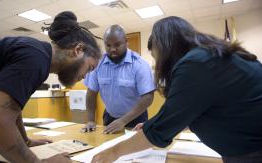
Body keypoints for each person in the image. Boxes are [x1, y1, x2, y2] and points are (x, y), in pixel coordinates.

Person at [91, 16, 262, 163]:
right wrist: (157, 123)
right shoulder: (207, 56)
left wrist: (112, 153)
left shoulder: (196, 64)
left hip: (251, 151)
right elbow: (185, 109)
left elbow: (163, 128)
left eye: (156, 56)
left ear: (165, 48)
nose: (156, 64)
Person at [0, 11, 101, 163]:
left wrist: (25, 141)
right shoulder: (35, 58)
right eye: (89, 68)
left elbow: (11, 108)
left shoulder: (37, 55)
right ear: (78, 50)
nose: (85, 76)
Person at [81, 25, 155, 134]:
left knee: (135, 150)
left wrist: (123, 121)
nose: (112, 49)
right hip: (110, 118)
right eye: (108, 45)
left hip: (136, 118)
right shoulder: (98, 64)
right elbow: (91, 93)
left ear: (126, 42)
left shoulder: (139, 64)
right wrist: (91, 120)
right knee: (109, 148)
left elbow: (148, 97)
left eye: (117, 44)